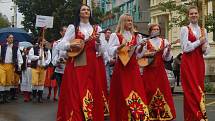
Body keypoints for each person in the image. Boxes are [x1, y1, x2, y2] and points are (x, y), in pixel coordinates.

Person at [56, 4, 107, 121]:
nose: (86, 11)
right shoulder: (73, 28)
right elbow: (61, 45)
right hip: (76, 64)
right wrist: (71, 44)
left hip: (92, 64)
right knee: (76, 91)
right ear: (79, 13)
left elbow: (102, 50)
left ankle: (90, 117)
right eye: (83, 9)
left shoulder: (97, 29)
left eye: (88, 10)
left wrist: (99, 41)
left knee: (92, 90)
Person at [108, 13, 149, 121]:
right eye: (127, 20)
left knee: (137, 91)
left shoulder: (137, 36)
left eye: (131, 20)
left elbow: (139, 55)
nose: (130, 23)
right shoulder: (115, 35)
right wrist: (119, 47)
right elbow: (109, 51)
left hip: (133, 68)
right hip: (121, 68)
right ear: (122, 22)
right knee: (122, 94)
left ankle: (137, 117)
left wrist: (141, 47)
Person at [137, 23, 176, 120]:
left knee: (162, 91)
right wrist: (143, 48)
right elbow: (139, 56)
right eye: (153, 29)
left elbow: (166, 59)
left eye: (157, 29)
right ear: (150, 31)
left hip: (160, 71)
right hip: (148, 70)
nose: (156, 30)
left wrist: (167, 50)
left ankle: (162, 114)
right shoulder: (146, 41)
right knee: (149, 91)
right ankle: (149, 115)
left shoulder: (164, 41)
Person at [180, 6, 210, 121]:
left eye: (195, 13)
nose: (194, 15)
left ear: (198, 14)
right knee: (190, 92)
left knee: (199, 90)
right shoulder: (184, 29)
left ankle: (200, 115)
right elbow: (185, 48)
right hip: (188, 64)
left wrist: (204, 47)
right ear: (188, 16)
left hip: (199, 64)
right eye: (191, 13)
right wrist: (199, 41)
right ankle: (194, 118)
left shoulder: (203, 30)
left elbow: (206, 52)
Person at [0, 34, 23, 103]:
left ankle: (5, 98)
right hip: (2, 65)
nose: (11, 39)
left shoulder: (15, 48)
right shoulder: (2, 46)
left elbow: (19, 57)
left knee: (9, 81)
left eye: (12, 38)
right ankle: (1, 97)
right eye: (10, 38)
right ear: (7, 39)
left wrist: (19, 65)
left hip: (10, 66)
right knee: (2, 80)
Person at [29, 37, 51, 103]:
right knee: (35, 82)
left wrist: (45, 64)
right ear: (40, 42)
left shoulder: (47, 50)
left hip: (43, 68)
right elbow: (30, 57)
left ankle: (40, 97)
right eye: (44, 41)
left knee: (41, 83)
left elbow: (49, 58)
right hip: (35, 67)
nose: (45, 42)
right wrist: (38, 57)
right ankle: (34, 96)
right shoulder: (33, 48)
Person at [52, 26, 67, 96]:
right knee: (61, 88)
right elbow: (54, 57)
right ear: (61, 33)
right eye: (65, 31)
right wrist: (58, 60)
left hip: (69, 69)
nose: (67, 32)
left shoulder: (72, 42)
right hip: (59, 70)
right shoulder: (57, 43)